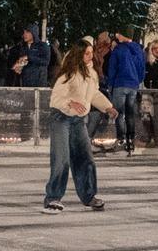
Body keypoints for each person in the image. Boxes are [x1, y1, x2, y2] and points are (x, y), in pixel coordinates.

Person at [43, 41, 113, 211]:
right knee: (61, 159)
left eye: (91, 53)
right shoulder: (68, 74)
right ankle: (53, 198)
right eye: (86, 53)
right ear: (78, 54)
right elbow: (55, 99)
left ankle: (89, 196)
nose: (90, 56)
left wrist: (108, 106)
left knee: (85, 158)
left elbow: (93, 93)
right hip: (61, 118)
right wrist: (70, 103)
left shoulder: (91, 73)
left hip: (78, 121)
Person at [101, 30, 147, 156]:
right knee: (130, 114)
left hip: (120, 84)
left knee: (119, 114)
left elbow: (112, 69)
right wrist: (137, 81)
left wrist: (110, 85)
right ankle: (131, 141)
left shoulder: (118, 50)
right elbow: (142, 68)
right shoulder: (138, 49)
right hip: (133, 85)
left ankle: (121, 141)